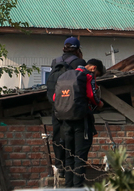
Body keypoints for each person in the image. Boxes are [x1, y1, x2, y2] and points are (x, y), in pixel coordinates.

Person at [54, 58, 105, 188]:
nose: (96, 76)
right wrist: (99, 103)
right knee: (80, 157)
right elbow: (91, 95)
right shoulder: (87, 76)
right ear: (93, 68)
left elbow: (55, 97)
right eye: (97, 74)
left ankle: (68, 186)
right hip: (81, 121)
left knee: (69, 155)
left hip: (65, 121)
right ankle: (77, 187)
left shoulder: (65, 76)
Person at [47, 37, 86, 178]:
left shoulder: (55, 62)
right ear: (78, 49)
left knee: (58, 136)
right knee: (72, 137)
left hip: (56, 105)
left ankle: (59, 166)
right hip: (71, 107)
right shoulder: (79, 62)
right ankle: (72, 169)